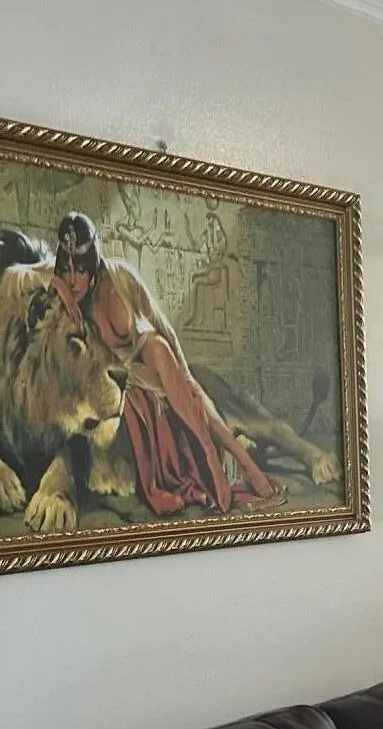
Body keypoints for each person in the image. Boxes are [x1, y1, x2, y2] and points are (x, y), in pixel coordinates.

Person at [50, 212, 279, 515]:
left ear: (92, 263)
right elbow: (28, 277)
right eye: (65, 270)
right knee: (169, 379)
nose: (72, 280)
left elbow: (162, 327)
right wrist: (57, 285)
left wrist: (187, 376)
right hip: (123, 370)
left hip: (150, 352)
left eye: (79, 270)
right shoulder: (68, 298)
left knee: (164, 353)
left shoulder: (122, 277)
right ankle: (229, 463)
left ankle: (230, 459)